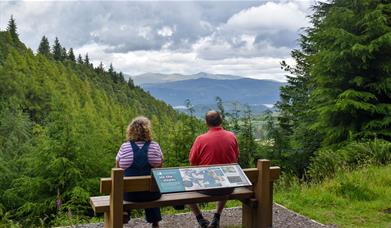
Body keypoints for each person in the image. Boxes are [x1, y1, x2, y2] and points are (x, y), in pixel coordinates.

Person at [188, 110, 240, 228]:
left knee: (185, 186)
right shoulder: (232, 136)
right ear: (220, 121)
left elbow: (192, 163)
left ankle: (200, 219)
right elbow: (236, 158)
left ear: (206, 123)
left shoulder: (200, 139)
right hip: (228, 187)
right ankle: (217, 216)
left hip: (207, 187)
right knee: (224, 179)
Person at [116, 116, 163, 228]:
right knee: (153, 184)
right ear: (148, 130)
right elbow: (160, 167)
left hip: (130, 196)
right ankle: (155, 222)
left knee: (123, 184)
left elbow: (118, 169)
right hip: (152, 195)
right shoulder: (155, 146)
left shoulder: (125, 147)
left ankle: (126, 211)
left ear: (131, 130)